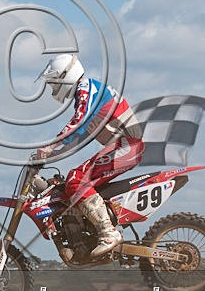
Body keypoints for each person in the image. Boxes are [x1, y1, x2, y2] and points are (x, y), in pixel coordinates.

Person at [36, 53, 144, 257]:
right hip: (125, 146)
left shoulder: (86, 90)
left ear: (66, 77)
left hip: (127, 146)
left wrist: (49, 147)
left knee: (76, 180)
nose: (53, 88)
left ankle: (108, 233)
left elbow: (77, 123)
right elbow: (80, 136)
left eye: (54, 83)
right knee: (69, 181)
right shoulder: (86, 93)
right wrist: (51, 155)